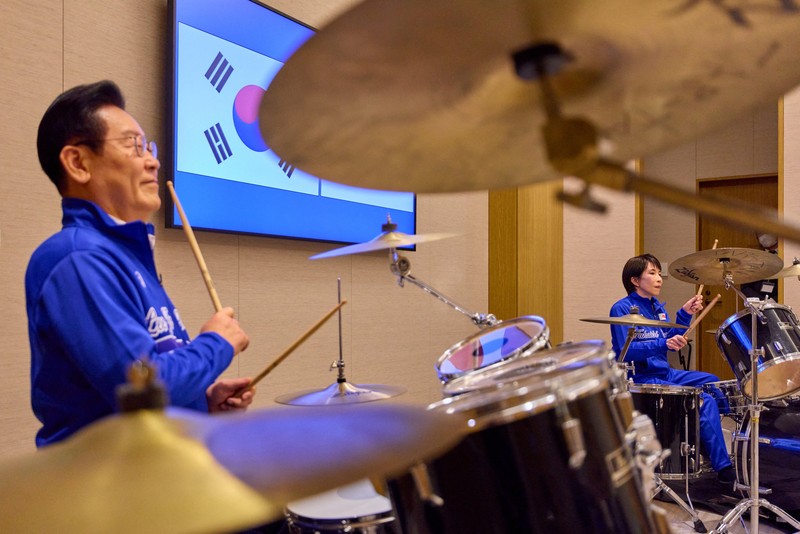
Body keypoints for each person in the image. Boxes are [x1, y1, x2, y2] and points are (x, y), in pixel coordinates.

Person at [26, 80, 255, 447]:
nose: (153, 160)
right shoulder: (77, 258)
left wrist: (201, 403)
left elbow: (147, 390)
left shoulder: (121, 255)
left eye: (149, 146)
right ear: (78, 163)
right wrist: (215, 343)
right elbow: (142, 387)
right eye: (134, 146)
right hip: (104, 492)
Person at [609, 253, 736, 489]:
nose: (659, 278)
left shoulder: (658, 307)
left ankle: (708, 448)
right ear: (635, 280)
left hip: (665, 373)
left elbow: (668, 337)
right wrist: (663, 344)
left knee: (712, 383)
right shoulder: (621, 308)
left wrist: (685, 314)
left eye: (659, 273)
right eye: (652, 273)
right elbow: (624, 352)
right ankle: (724, 468)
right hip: (642, 378)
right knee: (704, 401)